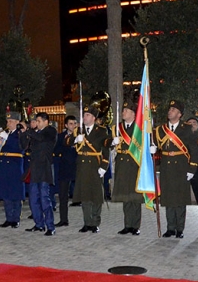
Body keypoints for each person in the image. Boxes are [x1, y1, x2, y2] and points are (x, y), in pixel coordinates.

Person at [155, 100, 198, 238]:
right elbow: (155, 145)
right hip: (167, 167)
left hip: (181, 167)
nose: (170, 111)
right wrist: (153, 148)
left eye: (173, 110)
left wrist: (192, 169)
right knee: (168, 199)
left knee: (179, 199)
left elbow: (193, 150)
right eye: (170, 109)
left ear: (179, 114)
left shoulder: (186, 129)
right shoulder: (160, 129)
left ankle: (180, 229)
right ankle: (170, 228)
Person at [71, 104, 111, 233]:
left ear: (93, 118)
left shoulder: (101, 131)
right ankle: (87, 223)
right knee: (85, 195)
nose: (85, 117)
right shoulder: (79, 130)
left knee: (96, 196)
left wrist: (104, 166)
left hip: (95, 165)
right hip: (82, 166)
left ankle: (95, 222)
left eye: (87, 115)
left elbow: (106, 149)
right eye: (84, 115)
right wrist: (75, 139)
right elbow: (65, 143)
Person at [20, 112, 58, 235]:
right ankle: (39, 224)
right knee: (33, 199)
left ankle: (50, 226)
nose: (37, 123)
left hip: (45, 168)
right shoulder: (35, 133)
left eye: (39, 121)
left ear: (46, 121)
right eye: (36, 121)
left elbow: (42, 139)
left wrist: (29, 130)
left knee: (44, 198)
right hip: (34, 169)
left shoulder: (50, 131)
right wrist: (23, 133)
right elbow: (24, 146)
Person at [111, 99, 144, 236]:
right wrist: (113, 142)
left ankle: (135, 226)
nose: (123, 113)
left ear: (133, 113)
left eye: (126, 111)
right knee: (126, 196)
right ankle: (127, 225)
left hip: (134, 164)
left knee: (135, 197)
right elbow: (107, 142)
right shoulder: (117, 128)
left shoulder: (139, 128)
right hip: (122, 164)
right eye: (123, 110)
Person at [0, 111, 27, 228]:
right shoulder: (4, 134)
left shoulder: (20, 134)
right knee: (6, 193)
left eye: (11, 121)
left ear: (17, 122)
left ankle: (16, 219)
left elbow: (20, 147)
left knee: (16, 194)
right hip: (4, 165)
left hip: (14, 165)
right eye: (8, 121)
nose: (9, 123)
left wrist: (6, 138)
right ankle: (8, 218)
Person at [53, 115, 78, 227]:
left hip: (78, 167)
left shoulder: (81, 135)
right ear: (66, 125)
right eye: (71, 123)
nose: (73, 126)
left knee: (85, 194)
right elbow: (56, 150)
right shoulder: (61, 136)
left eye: (75, 123)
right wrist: (67, 144)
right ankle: (64, 219)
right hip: (65, 167)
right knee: (63, 196)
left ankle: (90, 222)